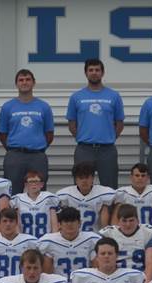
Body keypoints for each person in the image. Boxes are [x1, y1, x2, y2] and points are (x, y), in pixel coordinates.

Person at [66, 58, 125, 188]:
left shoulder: (114, 96)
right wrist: (83, 137)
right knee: (82, 186)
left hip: (107, 149)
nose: (94, 73)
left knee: (110, 187)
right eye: (91, 70)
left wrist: (108, 137)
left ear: (102, 73)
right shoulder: (76, 97)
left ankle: (109, 209)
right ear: (86, 73)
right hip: (84, 149)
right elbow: (72, 124)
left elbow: (119, 124)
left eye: (97, 70)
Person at [0, 69, 54, 194]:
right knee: (12, 193)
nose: (24, 82)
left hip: (37, 156)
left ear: (33, 83)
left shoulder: (44, 106)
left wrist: (37, 146)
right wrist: (13, 148)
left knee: (38, 193)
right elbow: (3, 134)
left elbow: (49, 134)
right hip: (14, 156)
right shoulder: (7, 107)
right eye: (21, 80)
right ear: (16, 84)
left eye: (28, 79)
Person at [100, 204, 152, 281]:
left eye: (131, 220)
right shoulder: (108, 234)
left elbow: (150, 262)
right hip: (116, 277)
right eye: (124, 221)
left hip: (140, 275)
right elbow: (102, 261)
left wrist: (146, 282)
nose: (128, 224)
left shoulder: (148, 233)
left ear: (138, 221)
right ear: (118, 222)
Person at [0, 207, 39, 283]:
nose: (8, 224)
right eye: (5, 221)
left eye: (11, 221)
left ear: (16, 223)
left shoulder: (29, 241)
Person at [38, 206, 101, 279]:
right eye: (66, 221)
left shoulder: (92, 239)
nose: (69, 224)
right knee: (47, 255)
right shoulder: (48, 240)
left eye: (73, 221)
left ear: (80, 223)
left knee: (95, 253)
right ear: (59, 224)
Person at [56, 161, 116, 232]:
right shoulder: (65, 195)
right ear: (75, 179)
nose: (84, 181)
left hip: (96, 236)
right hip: (73, 236)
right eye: (81, 178)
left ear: (93, 178)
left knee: (106, 206)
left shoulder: (104, 193)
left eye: (87, 177)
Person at [111, 163, 152, 229]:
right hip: (129, 233)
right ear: (131, 177)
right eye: (137, 175)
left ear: (148, 177)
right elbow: (115, 222)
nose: (140, 178)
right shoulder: (123, 193)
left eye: (143, 175)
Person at [11, 170, 59, 238]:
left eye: (36, 181)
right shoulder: (17, 199)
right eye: (30, 181)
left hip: (45, 240)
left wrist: (54, 238)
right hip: (25, 241)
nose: (33, 184)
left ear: (42, 184)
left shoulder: (49, 198)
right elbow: (16, 225)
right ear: (26, 185)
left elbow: (54, 224)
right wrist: (19, 240)